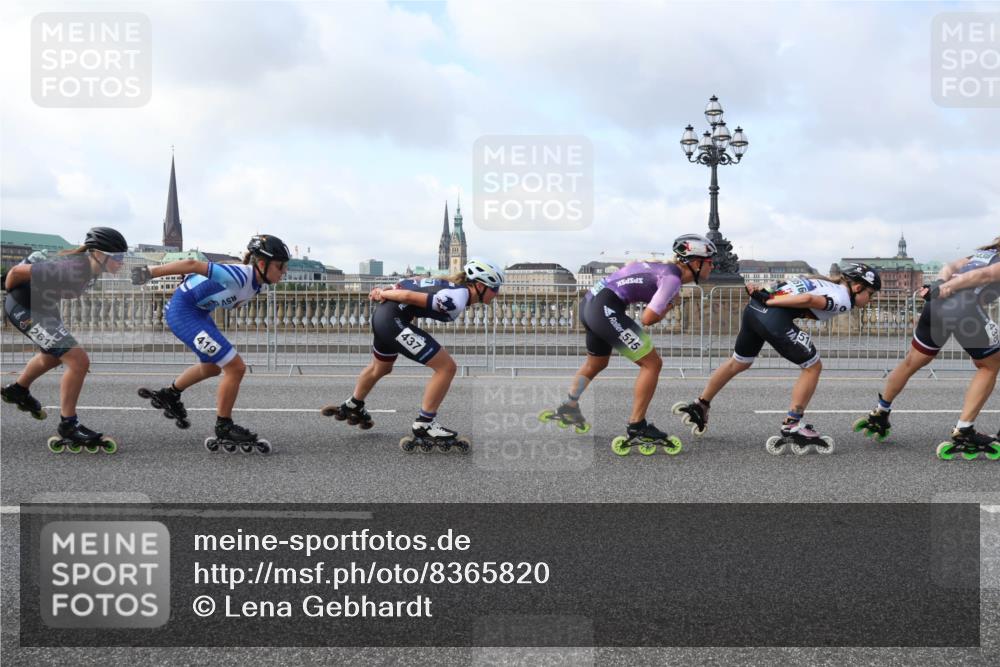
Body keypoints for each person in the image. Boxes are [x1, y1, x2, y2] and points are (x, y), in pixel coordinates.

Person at [674, 263, 882, 455]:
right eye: (870, 294)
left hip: (754, 309)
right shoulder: (843, 299)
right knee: (813, 366)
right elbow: (809, 300)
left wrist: (762, 292)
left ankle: (700, 405)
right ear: (856, 287)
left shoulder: (824, 281)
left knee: (739, 362)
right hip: (772, 315)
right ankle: (792, 423)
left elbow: (792, 282)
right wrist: (770, 300)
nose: (870, 300)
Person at [539, 234, 715, 456]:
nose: (714, 266)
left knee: (596, 363)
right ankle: (637, 425)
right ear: (696, 263)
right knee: (652, 364)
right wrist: (670, 305)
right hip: (605, 308)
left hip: (591, 303)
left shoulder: (662, 269)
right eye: (710, 262)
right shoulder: (672, 279)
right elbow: (648, 318)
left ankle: (569, 406)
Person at [321, 257, 504, 453]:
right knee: (446, 367)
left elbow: (411, 282)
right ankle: (424, 424)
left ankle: (353, 404)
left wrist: (385, 290)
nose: (497, 293)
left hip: (383, 317)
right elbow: (408, 295)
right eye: (494, 288)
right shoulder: (457, 298)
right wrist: (384, 292)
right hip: (393, 322)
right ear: (479, 285)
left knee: (381, 367)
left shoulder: (450, 286)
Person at [131, 234, 290, 454]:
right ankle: (223, 425)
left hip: (199, 313)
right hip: (184, 314)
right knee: (236, 367)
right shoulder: (239, 275)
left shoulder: (257, 284)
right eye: (280, 267)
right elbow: (192, 264)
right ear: (262, 264)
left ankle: (170, 393)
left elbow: (224, 296)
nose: (284, 272)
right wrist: (149, 272)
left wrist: (194, 284)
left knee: (213, 367)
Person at [854, 237, 1000, 460]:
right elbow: (983, 276)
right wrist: (948, 287)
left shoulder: (981, 256)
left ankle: (880, 413)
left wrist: (939, 284)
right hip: (963, 310)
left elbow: (949, 267)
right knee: (989, 366)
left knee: (912, 360)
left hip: (937, 306)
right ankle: (964, 430)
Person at [1, 227, 128, 453]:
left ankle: (18, 390)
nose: (121, 263)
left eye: (122, 257)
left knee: (52, 357)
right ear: (98, 254)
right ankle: (68, 424)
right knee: (78, 361)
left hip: (44, 307)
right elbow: (15, 274)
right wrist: (14, 296)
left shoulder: (92, 269)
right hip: (24, 307)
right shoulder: (71, 269)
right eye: (117, 258)